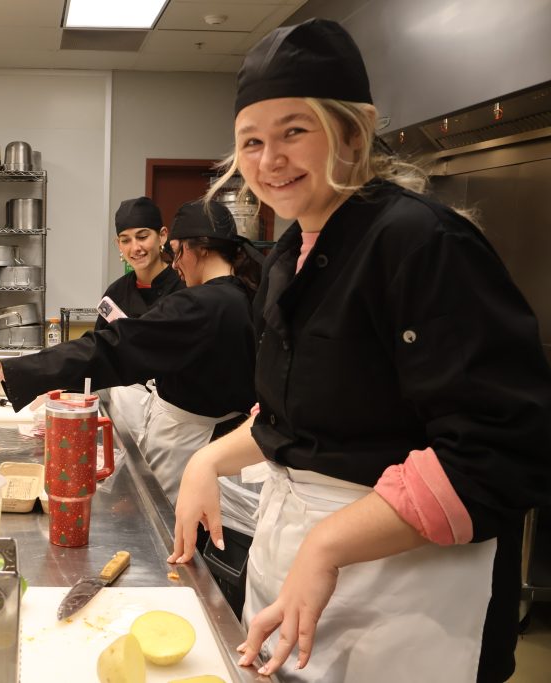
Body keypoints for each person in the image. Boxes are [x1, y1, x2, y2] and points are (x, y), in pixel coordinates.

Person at [167, 18, 551, 683]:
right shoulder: (293, 250)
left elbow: (502, 450)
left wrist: (329, 542)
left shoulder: (419, 242)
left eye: (294, 131)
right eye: (250, 141)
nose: (269, 159)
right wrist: (209, 459)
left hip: (403, 585)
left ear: (353, 130)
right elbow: (303, 414)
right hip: (299, 563)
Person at [0, 200, 261, 515]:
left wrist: (24, 370)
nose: (175, 264)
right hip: (219, 441)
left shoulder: (202, 305)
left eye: (176, 251)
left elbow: (113, 347)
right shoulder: (241, 295)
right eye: (125, 239)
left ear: (195, 249)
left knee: (167, 526)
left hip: (190, 444)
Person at [95, 197, 185, 453]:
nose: (135, 247)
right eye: (126, 240)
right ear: (118, 245)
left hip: (175, 418)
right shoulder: (116, 293)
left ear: (162, 236)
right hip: (124, 415)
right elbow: (99, 351)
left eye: (142, 236)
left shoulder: (184, 288)